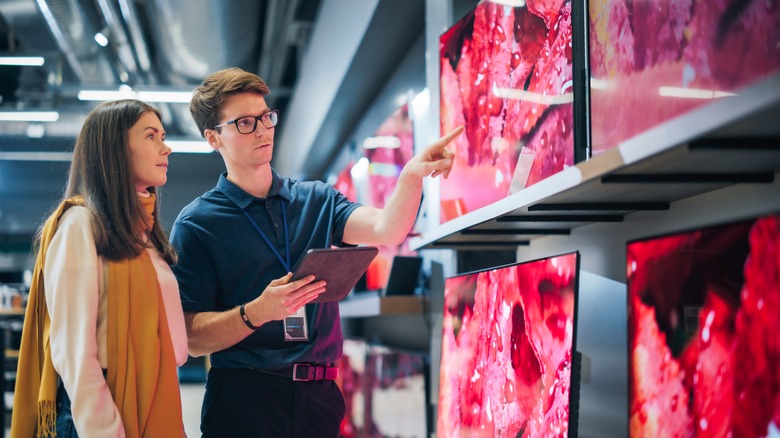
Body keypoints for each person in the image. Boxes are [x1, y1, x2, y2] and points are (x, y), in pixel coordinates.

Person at [170, 66, 463, 437]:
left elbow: (388, 228)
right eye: (245, 123)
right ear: (214, 138)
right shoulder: (197, 224)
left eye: (266, 117)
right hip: (245, 399)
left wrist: (410, 178)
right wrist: (256, 313)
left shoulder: (316, 199)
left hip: (320, 396)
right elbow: (192, 338)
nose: (262, 130)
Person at [11, 99, 188, 437]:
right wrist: (105, 429)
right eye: (151, 136)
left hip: (151, 394)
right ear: (114, 149)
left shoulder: (143, 235)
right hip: (97, 415)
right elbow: (75, 354)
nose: (166, 148)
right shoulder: (80, 224)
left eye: (163, 136)